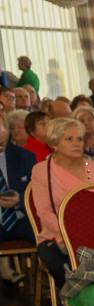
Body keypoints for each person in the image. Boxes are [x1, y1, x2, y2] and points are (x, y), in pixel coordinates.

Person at [29, 117, 94, 287]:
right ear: (54, 144)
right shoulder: (42, 171)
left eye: (79, 139)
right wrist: (70, 233)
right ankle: (77, 304)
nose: (77, 143)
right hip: (56, 237)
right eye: (69, 139)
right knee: (68, 269)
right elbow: (43, 211)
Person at [0, 114, 37, 283]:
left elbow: (37, 193)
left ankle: (60, 287)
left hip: (21, 218)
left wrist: (20, 201)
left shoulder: (25, 156)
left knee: (52, 242)